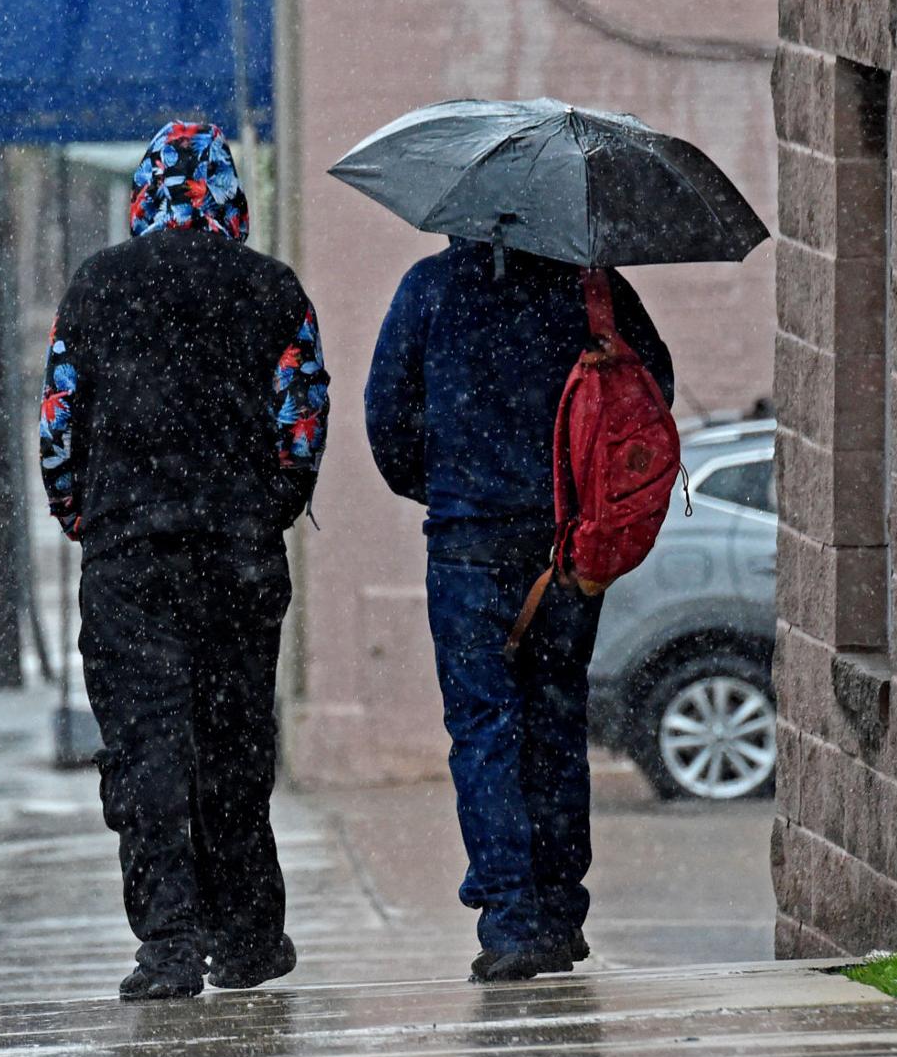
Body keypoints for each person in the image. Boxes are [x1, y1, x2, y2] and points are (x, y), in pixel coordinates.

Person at [39, 121, 329, 1001]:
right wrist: (262, 511)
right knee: (233, 744)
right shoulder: (272, 290)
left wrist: (88, 518)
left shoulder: (98, 286)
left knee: (147, 748)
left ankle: (168, 942)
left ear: (145, 192)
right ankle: (249, 934)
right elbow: (302, 425)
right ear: (228, 196)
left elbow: (59, 426)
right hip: (237, 559)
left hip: (131, 560)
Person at [364, 240, 672, 982]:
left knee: (484, 728)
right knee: (556, 722)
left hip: (467, 543)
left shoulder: (429, 288)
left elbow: (387, 421)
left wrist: (448, 485)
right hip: (567, 545)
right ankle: (560, 912)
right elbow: (651, 387)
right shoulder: (592, 289)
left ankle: (509, 920)